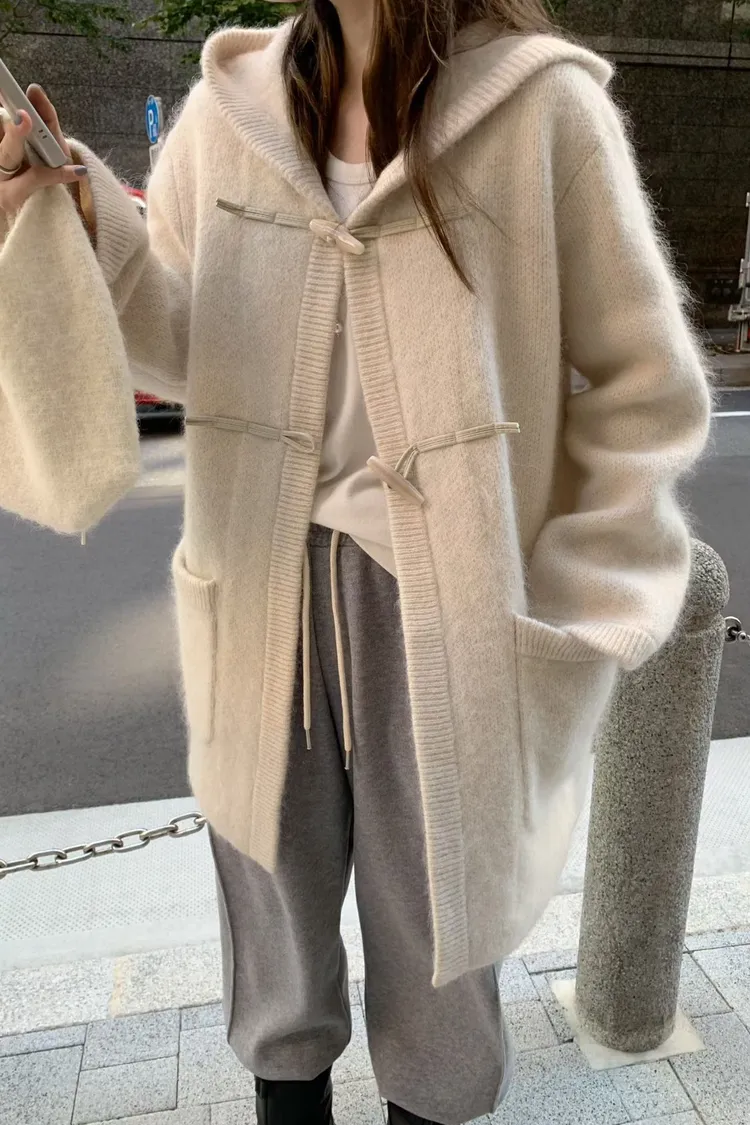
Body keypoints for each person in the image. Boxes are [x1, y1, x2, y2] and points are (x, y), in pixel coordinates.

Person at [0, 0, 712, 1121]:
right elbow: (184, 341)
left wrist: (584, 597)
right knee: (272, 941)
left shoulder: (540, 107)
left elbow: (643, 386)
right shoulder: (225, 113)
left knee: (444, 954)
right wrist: (81, 218)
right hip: (256, 587)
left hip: (450, 606)